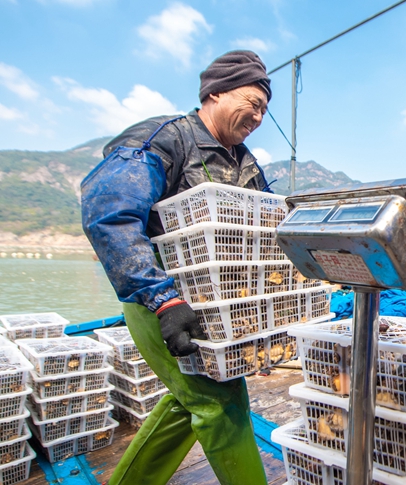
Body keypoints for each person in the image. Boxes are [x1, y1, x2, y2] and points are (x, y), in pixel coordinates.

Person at [80, 50, 272, 485]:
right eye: (252, 102)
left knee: (191, 397)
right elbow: (108, 215)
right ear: (215, 92)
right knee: (220, 400)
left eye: (264, 109)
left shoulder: (246, 164)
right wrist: (164, 299)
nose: (258, 116)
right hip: (159, 298)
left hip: (221, 303)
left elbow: (263, 235)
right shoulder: (165, 138)